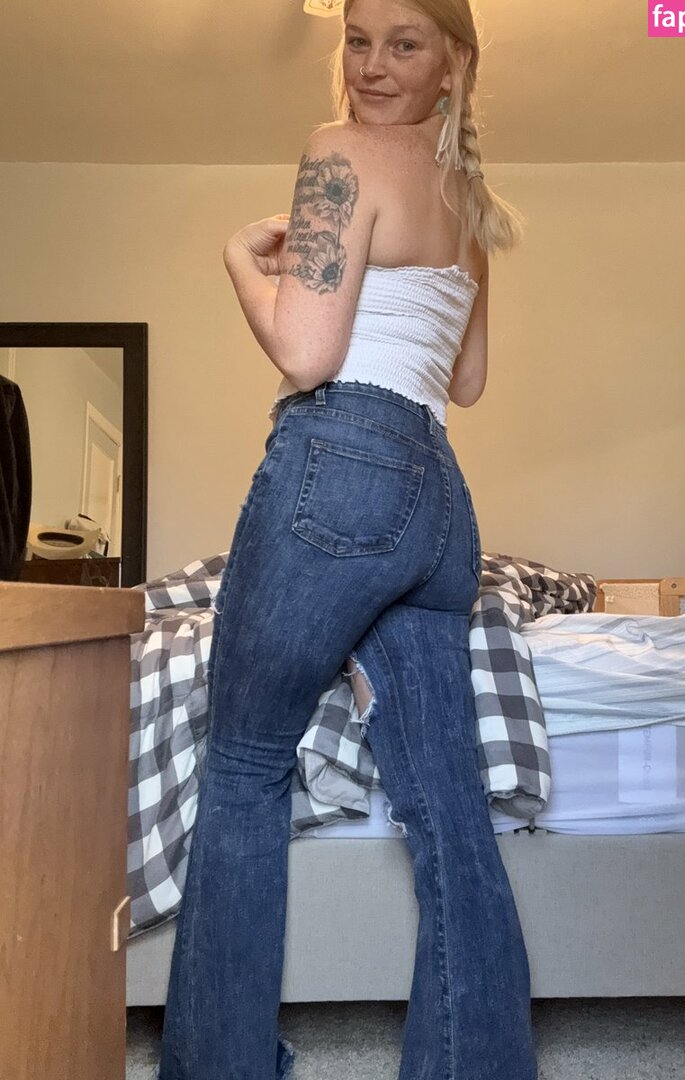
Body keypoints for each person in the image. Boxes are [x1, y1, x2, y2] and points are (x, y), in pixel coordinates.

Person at [155, 2, 535, 1078]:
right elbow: (466, 379)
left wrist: (240, 262)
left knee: (244, 764)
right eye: (357, 39)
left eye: (404, 43)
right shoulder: (469, 202)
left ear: (455, 62)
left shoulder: (339, 154)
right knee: (447, 804)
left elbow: (307, 354)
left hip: (341, 461)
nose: (371, 64)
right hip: (438, 500)